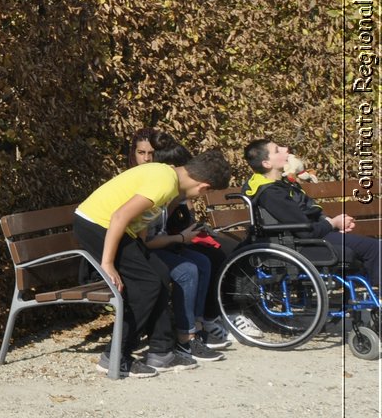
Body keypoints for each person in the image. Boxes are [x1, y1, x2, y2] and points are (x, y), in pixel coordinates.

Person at [74, 143, 232, 378]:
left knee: (159, 272)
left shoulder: (167, 175)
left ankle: (161, 351)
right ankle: (116, 357)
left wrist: (141, 251)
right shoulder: (164, 183)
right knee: (146, 284)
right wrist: (107, 264)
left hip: (113, 228)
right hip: (98, 225)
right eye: (205, 194)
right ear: (203, 187)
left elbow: (136, 223)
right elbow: (119, 216)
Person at [125, 131, 228, 360]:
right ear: (132, 155)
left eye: (151, 153)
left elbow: (162, 227)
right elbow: (145, 238)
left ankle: (197, 327)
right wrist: (180, 238)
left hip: (157, 243)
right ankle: (185, 338)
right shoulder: (144, 185)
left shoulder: (168, 187)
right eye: (141, 153)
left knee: (204, 259)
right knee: (187, 268)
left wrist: (182, 208)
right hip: (136, 250)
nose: (147, 158)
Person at [243, 138, 381, 289]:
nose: (285, 149)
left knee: (369, 246)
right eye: (277, 150)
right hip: (299, 245)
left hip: (308, 237)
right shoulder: (271, 193)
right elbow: (304, 231)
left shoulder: (280, 186)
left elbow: (307, 215)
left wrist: (333, 225)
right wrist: (332, 224)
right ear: (267, 164)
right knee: (374, 247)